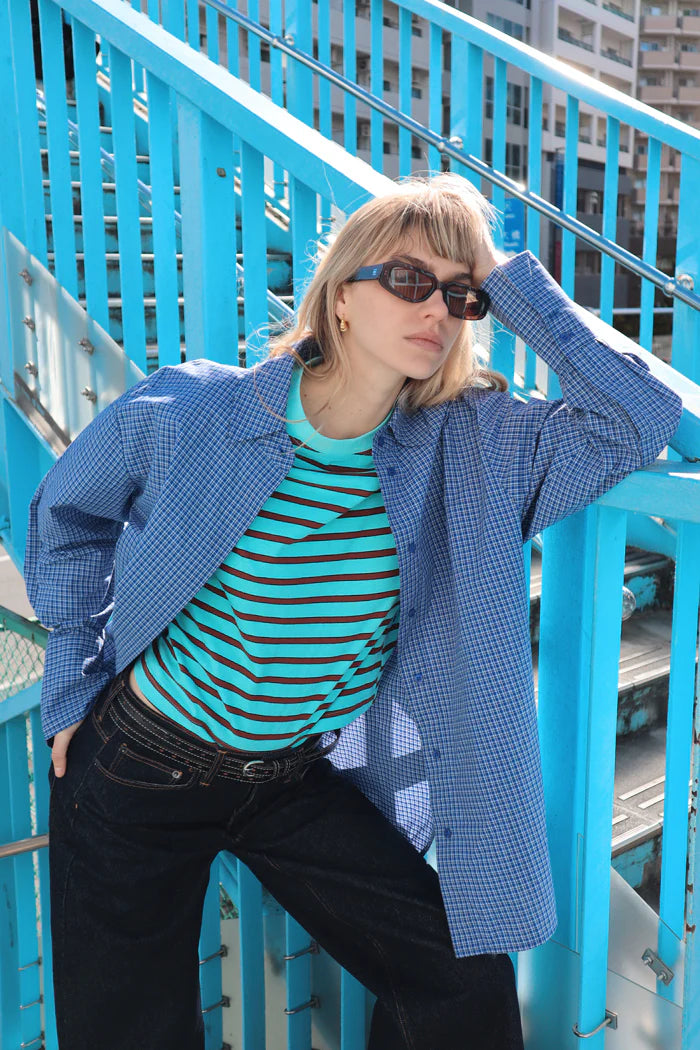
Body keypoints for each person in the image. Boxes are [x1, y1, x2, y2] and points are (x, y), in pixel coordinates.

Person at [24, 172, 683, 1050]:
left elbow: (636, 418)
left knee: (460, 983)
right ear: (340, 296)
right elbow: (68, 515)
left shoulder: (471, 447)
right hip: (140, 763)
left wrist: (503, 275)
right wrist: (72, 683)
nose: (437, 309)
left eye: (461, 294)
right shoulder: (199, 409)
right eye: (409, 280)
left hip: (287, 777)